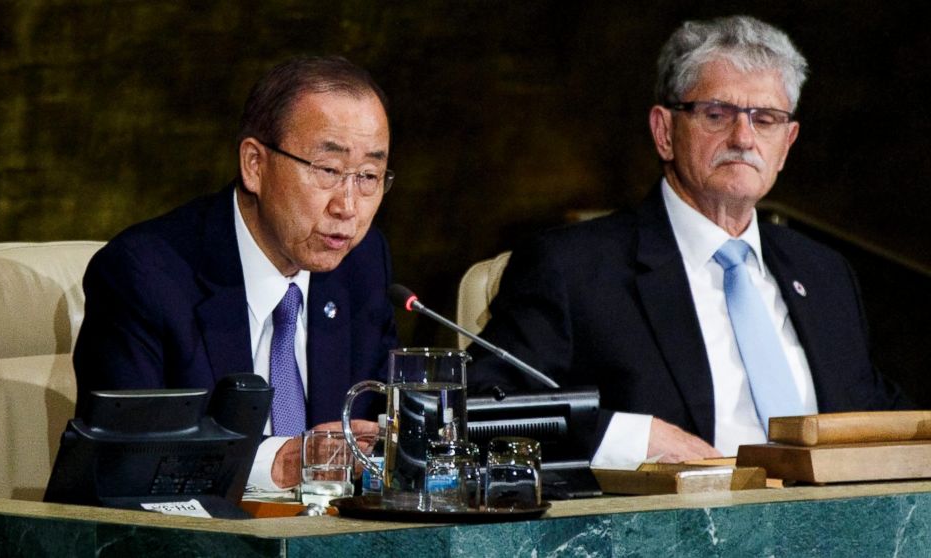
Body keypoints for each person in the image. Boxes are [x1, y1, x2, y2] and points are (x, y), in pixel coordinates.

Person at [469, 15, 910, 468]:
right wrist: (633, 441)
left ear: (788, 142)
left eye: (766, 119)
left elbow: (880, 416)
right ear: (664, 131)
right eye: (717, 114)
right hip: (672, 531)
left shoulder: (824, 273)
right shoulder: (573, 268)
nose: (743, 138)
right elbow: (483, 406)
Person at [73, 56, 398, 488]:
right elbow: (126, 459)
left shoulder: (361, 264)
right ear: (255, 165)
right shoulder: (144, 276)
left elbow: (381, 431)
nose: (348, 207)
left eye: (369, 176)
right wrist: (278, 463)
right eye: (328, 171)